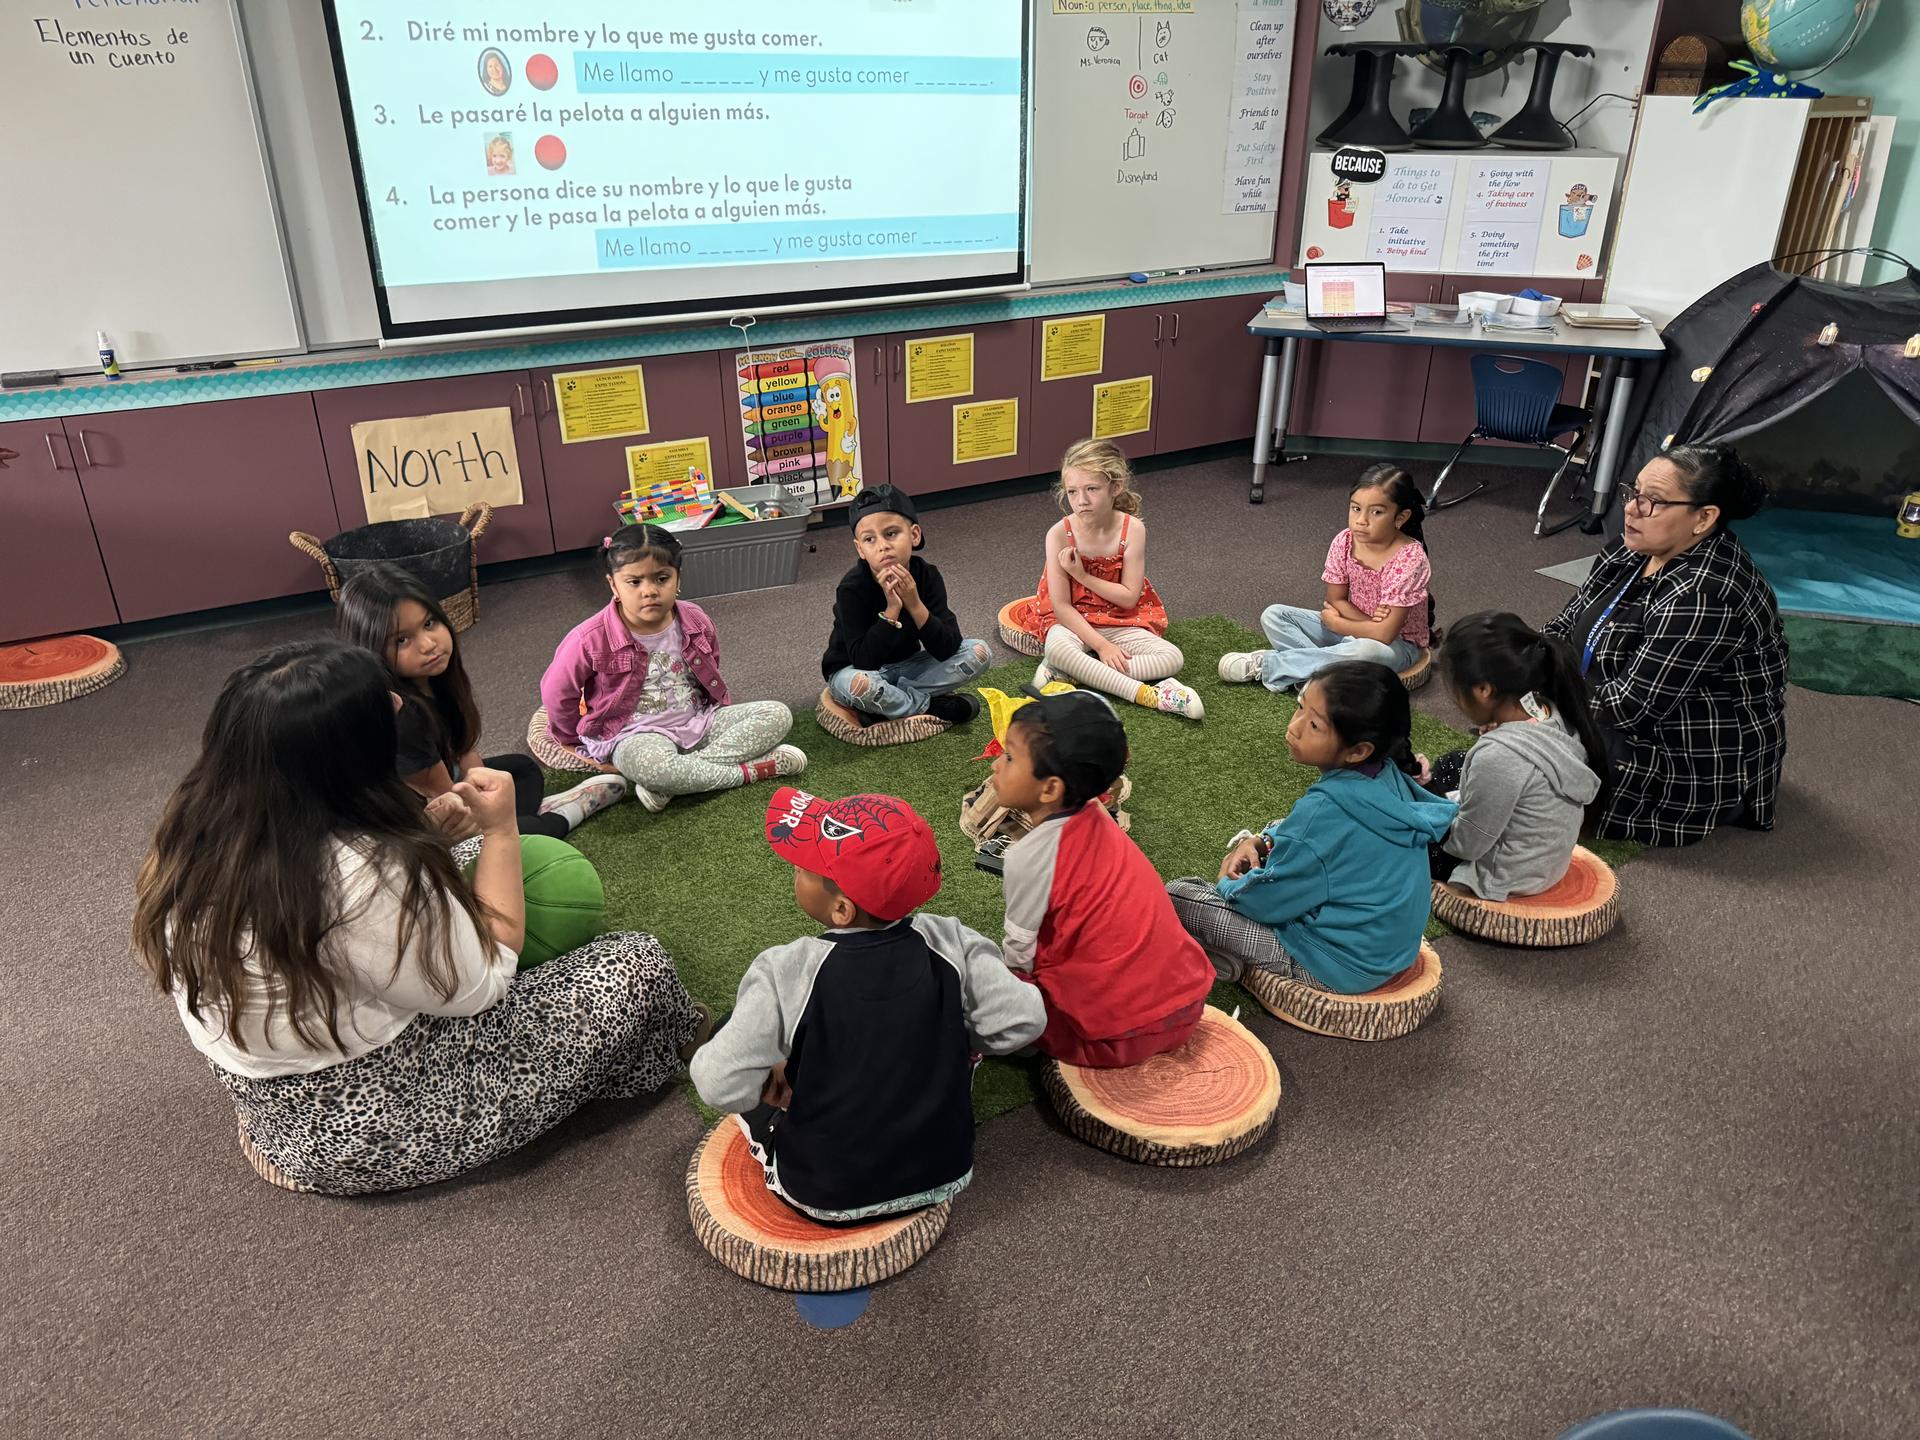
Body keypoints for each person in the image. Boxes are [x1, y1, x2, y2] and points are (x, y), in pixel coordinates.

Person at [130, 641, 704, 1195]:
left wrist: (426, 839)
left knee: (460, 859)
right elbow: (482, 984)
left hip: (275, 1108)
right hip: (383, 1116)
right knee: (635, 963)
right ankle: (676, 1044)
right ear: (344, 756)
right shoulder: (365, 869)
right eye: (383, 706)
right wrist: (503, 828)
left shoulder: (191, 832)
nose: (400, 703)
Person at [690, 789, 1046, 1221]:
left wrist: (768, 1079)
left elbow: (716, 1083)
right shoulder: (954, 941)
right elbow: (1025, 1019)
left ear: (841, 909)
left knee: (733, 1029)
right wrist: (956, 1041)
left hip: (825, 1190)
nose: (794, 872)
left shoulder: (785, 970)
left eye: (804, 867)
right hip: (945, 1172)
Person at [1543, 445, 1787, 846]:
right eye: (1632, 492)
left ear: (1704, 518)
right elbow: (1564, 625)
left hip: (1687, 751)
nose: (1633, 509)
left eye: (1653, 501)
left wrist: (1541, 703)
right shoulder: (1632, 549)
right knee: (1528, 733)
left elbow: (1630, 707)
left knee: (1543, 761)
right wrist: (1532, 675)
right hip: (1608, 703)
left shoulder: (1706, 593)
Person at [1167, 661, 1455, 993]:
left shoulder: (1323, 812)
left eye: (1315, 725)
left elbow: (1264, 902)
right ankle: (1222, 955)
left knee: (1180, 894)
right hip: (1388, 951)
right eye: (1300, 706)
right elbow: (1308, 838)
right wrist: (1262, 840)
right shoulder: (1387, 773)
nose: (1295, 726)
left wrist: (1229, 883)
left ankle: (1222, 955)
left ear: (1358, 750)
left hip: (1336, 966)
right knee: (1284, 830)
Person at [994, 687, 1215, 1067]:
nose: (996, 764)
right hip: (1185, 1008)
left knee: (976, 968)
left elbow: (1019, 952)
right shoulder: (1096, 812)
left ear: (1051, 788)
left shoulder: (1028, 857)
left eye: (1010, 757)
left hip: (1110, 1039)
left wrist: (1011, 993)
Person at [337, 564, 624, 837]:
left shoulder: (436, 680)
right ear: (372, 650)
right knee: (520, 836)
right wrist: (488, 808)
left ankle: (524, 816)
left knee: (521, 770)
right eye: (401, 640)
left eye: (429, 623)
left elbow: (464, 751)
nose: (428, 644)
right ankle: (565, 814)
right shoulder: (401, 714)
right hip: (420, 824)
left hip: (448, 785)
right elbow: (450, 803)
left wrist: (486, 786)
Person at [540, 525, 805, 812]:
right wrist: (571, 738)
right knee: (653, 767)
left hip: (698, 722)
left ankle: (673, 783)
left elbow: (712, 663)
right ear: (613, 585)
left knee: (777, 714)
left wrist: (705, 716)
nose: (649, 591)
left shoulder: (695, 619)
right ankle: (751, 771)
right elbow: (557, 692)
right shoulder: (589, 637)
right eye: (634, 582)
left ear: (678, 579)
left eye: (661, 578)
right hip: (635, 736)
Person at [1419, 612, 1607, 899]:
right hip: (1544, 861)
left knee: (1400, 836)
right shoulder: (1548, 708)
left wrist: (1426, 793)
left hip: (1504, 873)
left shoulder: (1498, 756)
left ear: (1483, 690)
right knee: (1451, 764)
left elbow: (1465, 846)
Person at [1014, 438, 1203, 720]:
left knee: (1173, 658)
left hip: (1118, 617)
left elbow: (1128, 596)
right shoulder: (1058, 534)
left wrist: (1081, 575)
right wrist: (1102, 647)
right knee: (1057, 647)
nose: (1082, 500)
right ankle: (1151, 695)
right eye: (1072, 491)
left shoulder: (1133, 530)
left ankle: (1074, 672)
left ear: (1115, 487)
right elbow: (1062, 607)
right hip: (1072, 621)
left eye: (1092, 489)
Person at [1219, 462, 1434, 692]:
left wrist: (1339, 623)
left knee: (1364, 650)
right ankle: (1318, 671)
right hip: (1355, 629)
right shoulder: (1344, 541)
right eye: (1355, 508)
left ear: (1400, 517)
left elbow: (1385, 634)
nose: (1362, 520)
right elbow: (1336, 601)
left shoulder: (1409, 558)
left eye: (1377, 512)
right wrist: (1366, 623)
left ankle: (1270, 665)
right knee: (1274, 616)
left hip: (1397, 646)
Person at [819, 484, 990, 728]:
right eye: (870, 539)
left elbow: (948, 647)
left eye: (891, 533)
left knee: (979, 653)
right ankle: (930, 706)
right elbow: (864, 661)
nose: (882, 546)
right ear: (861, 549)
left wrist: (913, 602)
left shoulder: (927, 575)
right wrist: (892, 609)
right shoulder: (851, 588)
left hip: (908, 668)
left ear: (914, 535)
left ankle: (892, 704)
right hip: (858, 671)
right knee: (860, 685)